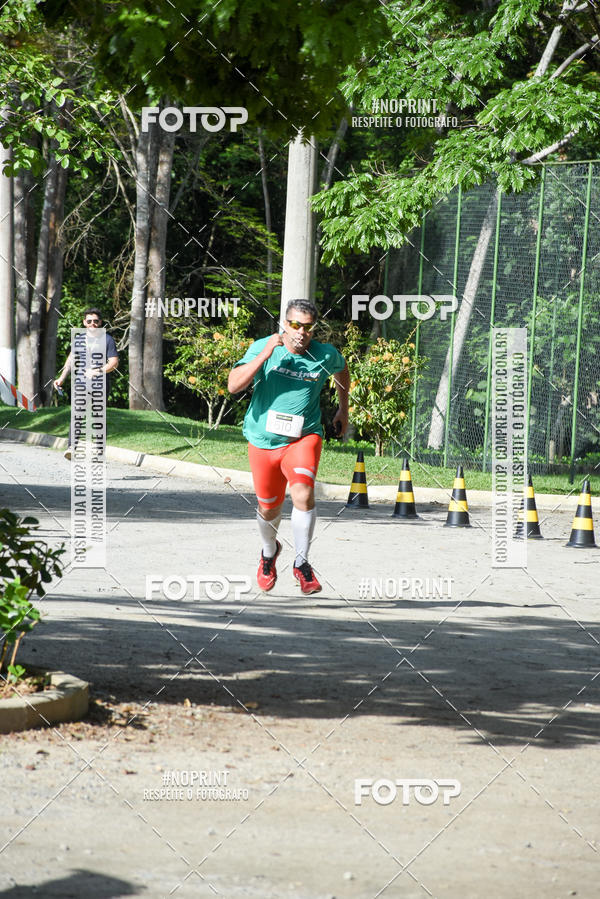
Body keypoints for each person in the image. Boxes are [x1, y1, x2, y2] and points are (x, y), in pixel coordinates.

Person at [228, 299, 349, 594]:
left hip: (303, 436)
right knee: (268, 508)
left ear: (313, 329)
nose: (300, 332)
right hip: (263, 441)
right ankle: (269, 553)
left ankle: (302, 563)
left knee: (303, 492)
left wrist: (343, 409)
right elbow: (233, 386)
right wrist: (266, 354)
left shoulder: (325, 354)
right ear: (284, 323)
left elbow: (342, 372)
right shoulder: (264, 347)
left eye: (307, 327)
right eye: (295, 325)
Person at [54, 307, 119, 460]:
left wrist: (98, 371)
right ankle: (72, 447)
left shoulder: (107, 340)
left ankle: (99, 449)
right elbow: (71, 360)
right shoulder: (79, 340)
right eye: (89, 321)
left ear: (100, 323)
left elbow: (114, 362)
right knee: (77, 415)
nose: (92, 324)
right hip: (81, 385)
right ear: (84, 323)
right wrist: (61, 378)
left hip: (100, 386)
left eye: (95, 321)